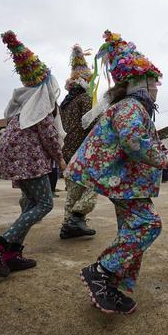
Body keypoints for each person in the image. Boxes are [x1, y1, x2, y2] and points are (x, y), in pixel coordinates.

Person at [70, 30, 168, 315]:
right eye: (154, 83)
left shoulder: (130, 106)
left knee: (131, 230)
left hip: (129, 184)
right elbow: (134, 142)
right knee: (148, 225)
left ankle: (113, 286)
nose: (157, 89)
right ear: (142, 82)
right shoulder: (131, 107)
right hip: (124, 183)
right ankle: (100, 271)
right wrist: (163, 159)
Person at [0, 31, 66, 277]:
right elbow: (49, 136)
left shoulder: (21, 105)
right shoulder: (39, 106)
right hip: (30, 163)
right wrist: (60, 158)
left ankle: (12, 254)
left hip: (19, 162)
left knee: (30, 204)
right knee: (45, 204)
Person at [59, 44, 98, 238]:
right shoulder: (86, 99)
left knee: (73, 190)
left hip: (67, 150)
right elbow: (91, 125)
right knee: (92, 185)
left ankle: (68, 225)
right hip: (84, 150)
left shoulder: (64, 103)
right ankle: (76, 218)